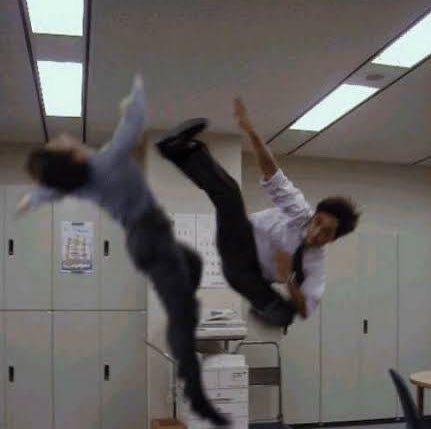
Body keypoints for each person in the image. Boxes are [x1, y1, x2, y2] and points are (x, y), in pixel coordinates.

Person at [16, 76, 227, 426]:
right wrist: (136, 93)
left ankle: (183, 329)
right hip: (150, 234)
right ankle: (196, 392)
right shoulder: (105, 162)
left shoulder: (82, 182)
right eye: (61, 143)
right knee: (183, 310)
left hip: (147, 238)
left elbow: (49, 191)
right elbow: (133, 124)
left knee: (193, 263)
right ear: (72, 155)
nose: (65, 137)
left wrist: (29, 199)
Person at [156, 99, 360, 329]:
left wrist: (288, 278)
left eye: (326, 232)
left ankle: (266, 310)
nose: (315, 232)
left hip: (249, 277)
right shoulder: (299, 211)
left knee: (287, 315)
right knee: (230, 193)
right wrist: (251, 131)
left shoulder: (316, 264)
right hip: (241, 241)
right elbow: (273, 173)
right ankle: (180, 150)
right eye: (317, 222)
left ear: (333, 239)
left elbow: (307, 309)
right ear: (313, 215)